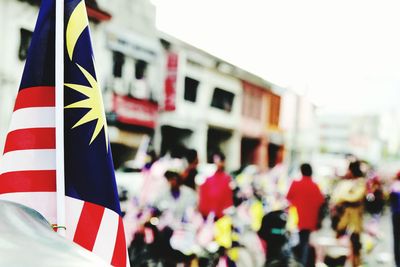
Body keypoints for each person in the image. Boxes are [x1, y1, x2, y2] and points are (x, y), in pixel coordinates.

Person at [286, 163, 325, 267]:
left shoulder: (295, 184)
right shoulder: (314, 186)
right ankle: (302, 263)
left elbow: (288, 198)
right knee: (304, 243)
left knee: (295, 242)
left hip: (296, 219)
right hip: (309, 221)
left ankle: (294, 262)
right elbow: (320, 201)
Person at [331, 160, 366, 267]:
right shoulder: (345, 183)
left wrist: (343, 198)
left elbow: (355, 197)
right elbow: (336, 197)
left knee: (354, 247)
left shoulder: (360, 182)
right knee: (342, 246)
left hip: (354, 222)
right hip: (342, 220)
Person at [198, 151, 233, 219]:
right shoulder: (205, 178)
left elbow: (228, 199)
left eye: (219, 161)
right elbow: (203, 198)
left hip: (222, 216)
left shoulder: (227, 178)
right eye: (215, 161)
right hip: (207, 216)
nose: (217, 163)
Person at [390, 171, 400, 267]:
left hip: (396, 215)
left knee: (396, 239)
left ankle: (398, 262)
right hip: (396, 213)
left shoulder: (394, 186)